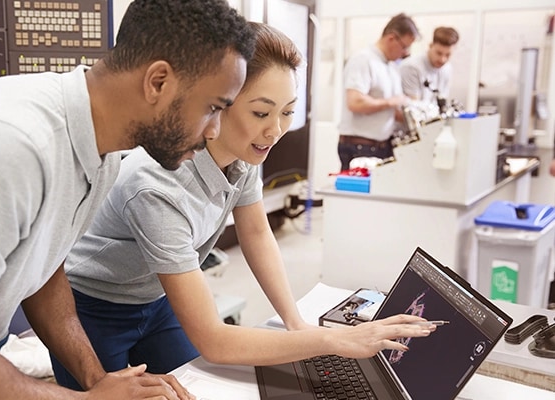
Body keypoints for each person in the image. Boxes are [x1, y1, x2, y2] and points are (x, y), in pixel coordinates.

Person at [51, 22, 435, 389]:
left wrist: (296, 322)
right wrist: (331, 341)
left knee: (192, 388)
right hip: (94, 307)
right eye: (261, 113)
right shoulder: (156, 183)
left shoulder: (244, 153)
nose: (275, 130)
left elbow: (255, 232)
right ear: (221, 102)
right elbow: (215, 342)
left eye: (286, 112)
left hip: (156, 297)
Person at [0, 0, 255, 399]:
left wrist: (97, 379)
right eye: (213, 108)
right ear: (158, 82)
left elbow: (42, 268)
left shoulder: (100, 149)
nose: (214, 131)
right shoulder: (6, 148)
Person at [337, 13, 420, 171]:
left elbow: (388, 110)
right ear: (391, 38)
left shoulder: (390, 66)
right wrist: (391, 102)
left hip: (382, 146)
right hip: (360, 147)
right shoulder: (363, 60)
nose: (405, 53)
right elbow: (355, 102)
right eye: (404, 46)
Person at [400, 27, 460, 104]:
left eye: (448, 55)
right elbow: (414, 107)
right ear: (431, 46)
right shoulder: (411, 67)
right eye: (439, 53)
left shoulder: (447, 68)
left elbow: (442, 100)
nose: (442, 59)